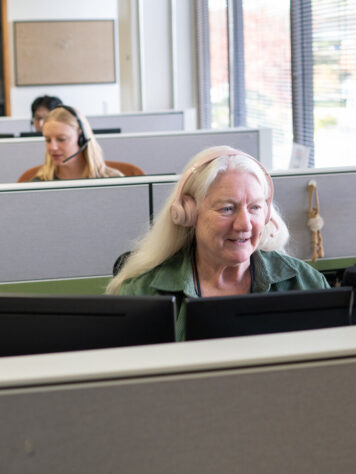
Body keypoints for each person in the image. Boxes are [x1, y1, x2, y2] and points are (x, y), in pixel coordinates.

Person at [106, 145, 329, 341]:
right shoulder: (141, 293)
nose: (244, 225)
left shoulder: (306, 283)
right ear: (188, 214)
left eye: (255, 208)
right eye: (227, 209)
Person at [33, 105, 123, 181]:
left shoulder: (113, 181)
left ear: (82, 139)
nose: (52, 147)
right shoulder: (36, 187)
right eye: (48, 140)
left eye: (61, 139)